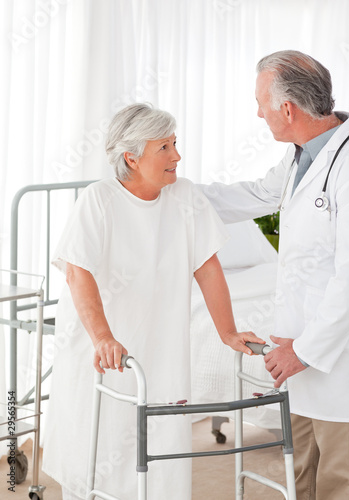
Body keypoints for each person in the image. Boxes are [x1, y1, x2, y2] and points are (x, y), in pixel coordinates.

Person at [42, 103, 262, 500]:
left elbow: (207, 267)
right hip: (102, 347)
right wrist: (104, 337)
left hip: (160, 348)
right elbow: (78, 272)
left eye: (175, 143)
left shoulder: (184, 196)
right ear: (131, 156)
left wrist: (227, 331)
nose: (177, 155)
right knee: (102, 443)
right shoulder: (99, 200)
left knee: (160, 445)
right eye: (165, 147)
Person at [201, 50, 349, 499]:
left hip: (336, 357)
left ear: (287, 109)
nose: (257, 111)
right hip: (298, 349)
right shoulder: (302, 155)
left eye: (260, 102)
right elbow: (259, 194)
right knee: (300, 471)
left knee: (341, 479)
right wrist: (180, 194)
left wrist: (304, 351)